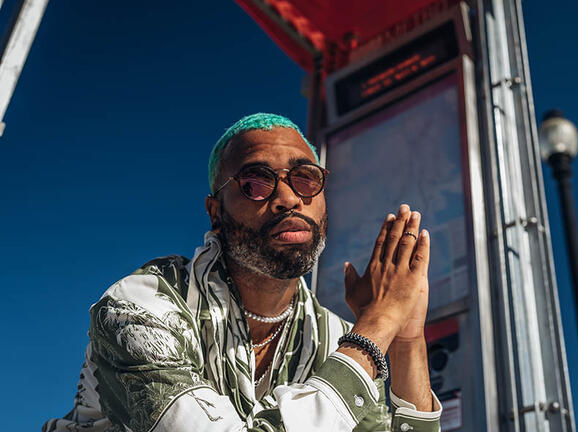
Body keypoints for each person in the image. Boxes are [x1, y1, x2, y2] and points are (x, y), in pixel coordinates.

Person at [43, 113, 442, 432]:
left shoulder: (340, 341)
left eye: (305, 178)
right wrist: (378, 323)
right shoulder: (141, 307)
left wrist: (406, 336)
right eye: (255, 182)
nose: (289, 198)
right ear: (215, 212)